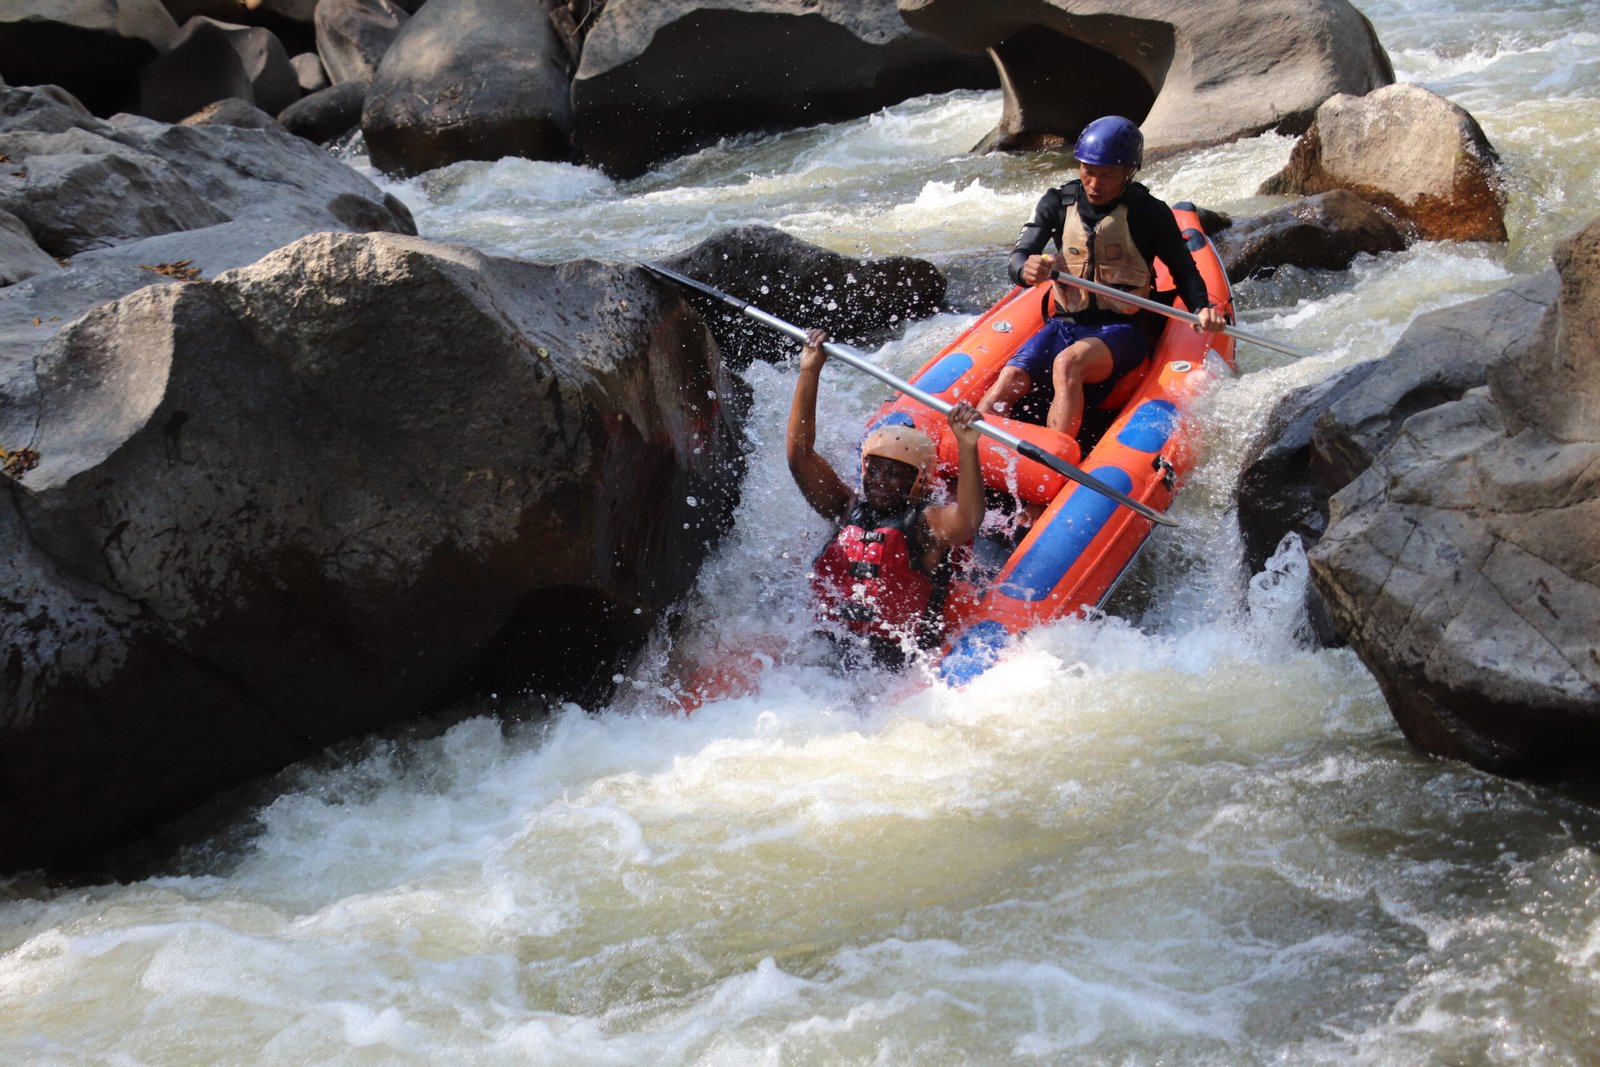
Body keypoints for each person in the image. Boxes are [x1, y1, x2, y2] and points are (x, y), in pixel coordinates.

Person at [978, 115, 1228, 438]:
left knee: (1067, 364)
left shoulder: (1149, 214)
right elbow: (1019, 256)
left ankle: (1054, 461)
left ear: (1128, 172)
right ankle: (965, 447)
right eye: (1087, 171)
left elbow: (1185, 271)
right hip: (1065, 324)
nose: (1094, 184)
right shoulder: (1056, 203)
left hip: (1123, 330)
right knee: (1010, 376)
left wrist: (1201, 308)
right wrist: (1025, 268)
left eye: (1106, 175)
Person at [787, 328, 984, 668]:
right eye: (874, 470)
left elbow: (967, 518)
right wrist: (809, 370)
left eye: (894, 474)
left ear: (919, 482)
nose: (879, 481)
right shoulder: (846, 507)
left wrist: (967, 445)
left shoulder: (926, 524)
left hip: (896, 662)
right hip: (832, 647)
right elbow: (799, 456)